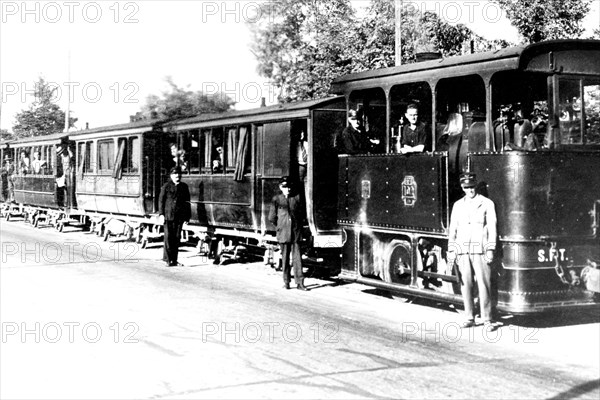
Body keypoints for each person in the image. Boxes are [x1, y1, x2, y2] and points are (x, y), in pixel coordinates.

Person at [447, 172, 498, 330]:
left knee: (484, 284)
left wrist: (490, 248)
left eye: (472, 187)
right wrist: (452, 249)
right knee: (466, 284)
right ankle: (469, 317)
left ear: (476, 186)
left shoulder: (487, 203)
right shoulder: (457, 205)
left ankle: (487, 319)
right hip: (462, 249)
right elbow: (453, 229)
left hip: (480, 249)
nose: (470, 190)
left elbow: (492, 227)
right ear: (462, 187)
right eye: (466, 187)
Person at [268, 176, 308, 291]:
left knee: (297, 259)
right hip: (284, 233)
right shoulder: (277, 199)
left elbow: (302, 214)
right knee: (285, 259)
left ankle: (300, 283)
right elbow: (271, 217)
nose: (288, 189)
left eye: (289, 187)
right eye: (285, 187)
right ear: (281, 187)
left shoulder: (297, 198)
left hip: (296, 233)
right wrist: (280, 226)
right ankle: (286, 282)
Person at [158, 166, 191, 267]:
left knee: (177, 238)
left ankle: (174, 260)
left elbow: (187, 203)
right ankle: (168, 259)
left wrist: (187, 217)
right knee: (168, 238)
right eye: (175, 174)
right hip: (168, 216)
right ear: (171, 175)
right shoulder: (166, 186)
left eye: (179, 174)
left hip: (179, 216)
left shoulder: (184, 187)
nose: (177, 176)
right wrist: (161, 214)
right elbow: (161, 201)